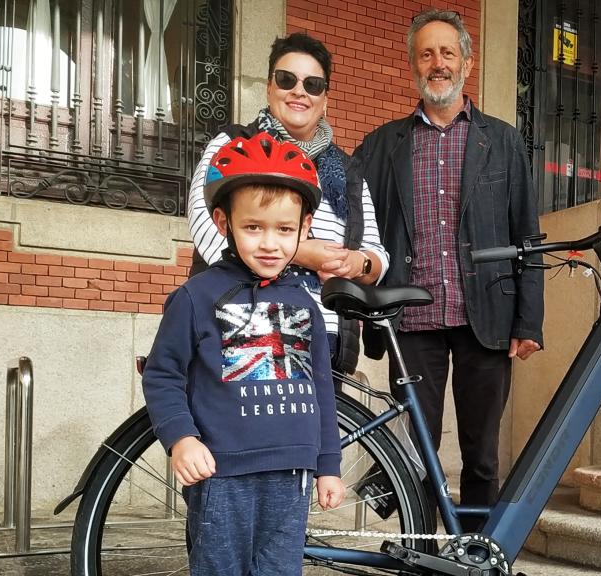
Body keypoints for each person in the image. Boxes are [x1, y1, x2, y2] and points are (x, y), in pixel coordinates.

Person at [353, 9, 545, 530]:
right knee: (416, 454)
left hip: (487, 316)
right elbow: (355, 221)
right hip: (412, 318)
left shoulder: (502, 141)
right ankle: (422, 553)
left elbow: (527, 235)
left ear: (467, 63)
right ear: (413, 65)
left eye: (447, 52)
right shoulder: (383, 144)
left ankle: (478, 553)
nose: (437, 63)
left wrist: (528, 320)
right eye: (426, 54)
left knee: (482, 454)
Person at [143, 132, 345, 575]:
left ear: (305, 228)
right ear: (223, 222)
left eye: (284, 229)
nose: (270, 243)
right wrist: (181, 438)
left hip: (292, 476)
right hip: (222, 475)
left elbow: (322, 389)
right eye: (254, 227)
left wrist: (328, 464)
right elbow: (162, 375)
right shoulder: (196, 297)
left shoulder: (305, 303)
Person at [187, 32, 388, 374]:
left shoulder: (349, 171)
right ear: (269, 88)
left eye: (313, 84)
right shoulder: (234, 145)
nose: (299, 91)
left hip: (325, 332)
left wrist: (356, 263)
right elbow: (207, 228)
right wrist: (301, 252)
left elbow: (377, 254)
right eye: (286, 80)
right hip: (244, 320)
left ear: (325, 99)